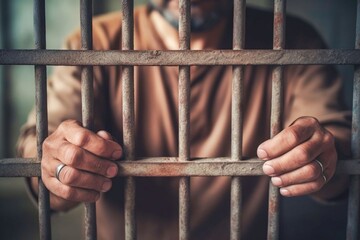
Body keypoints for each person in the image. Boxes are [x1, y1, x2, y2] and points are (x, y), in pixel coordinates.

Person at [17, 0, 351, 239]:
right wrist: (58, 167)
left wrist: (323, 156)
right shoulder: (93, 42)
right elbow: (42, 149)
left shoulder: (290, 41)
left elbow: (336, 142)